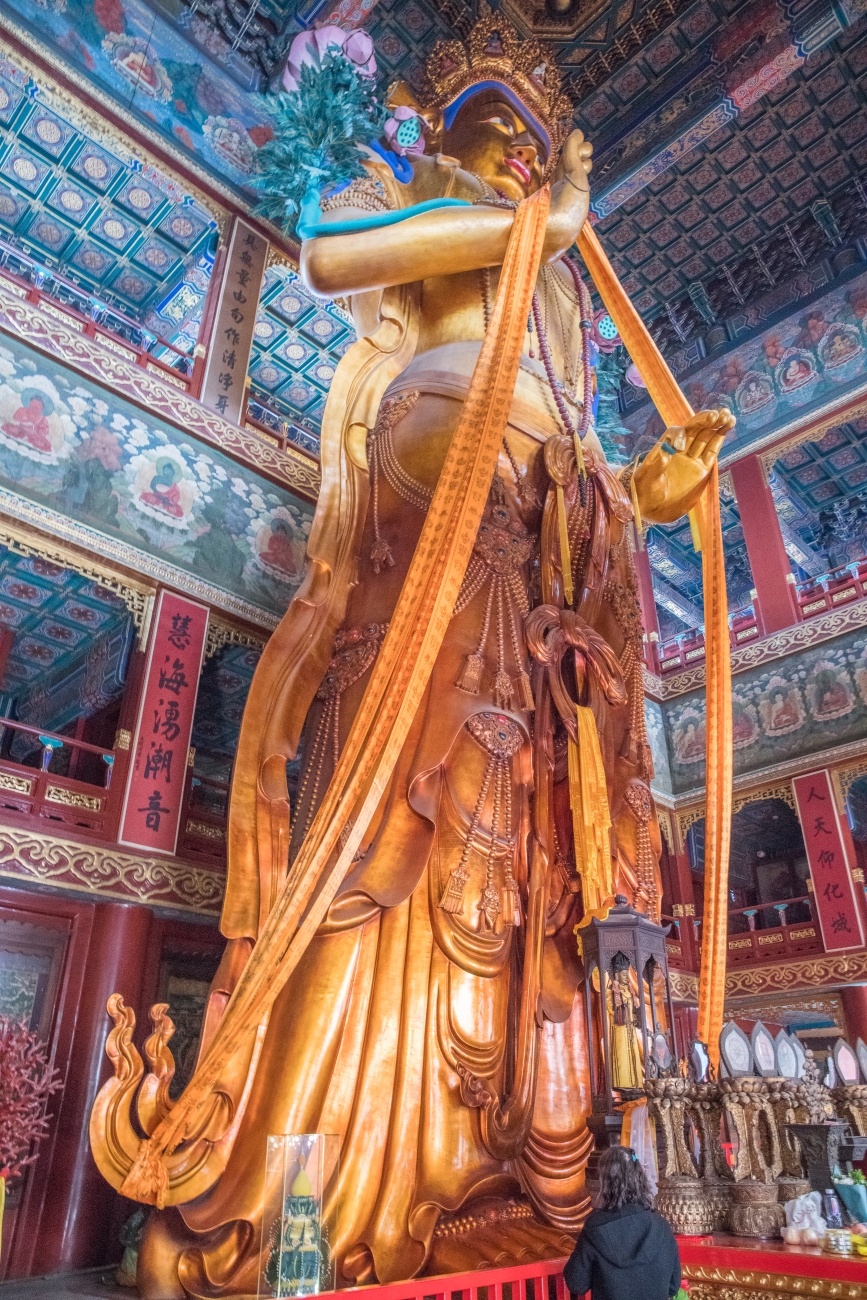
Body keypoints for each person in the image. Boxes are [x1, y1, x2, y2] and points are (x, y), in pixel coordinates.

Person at [564, 1146, 681, 1300]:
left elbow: (577, 1284)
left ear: (604, 1182)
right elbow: (672, 1286)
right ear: (639, 1178)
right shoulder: (661, 1225)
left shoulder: (595, 1227)